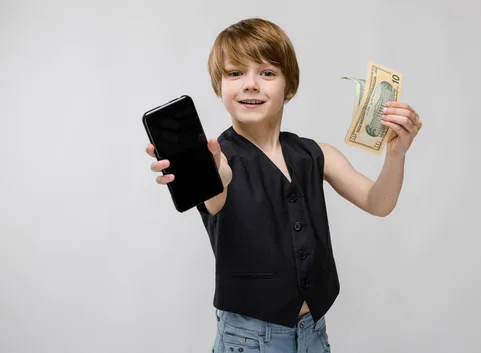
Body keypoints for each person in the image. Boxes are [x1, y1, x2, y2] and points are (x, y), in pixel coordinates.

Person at [145, 18, 422, 353]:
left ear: (290, 86)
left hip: (313, 334)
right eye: (235, 73)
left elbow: (378, 202)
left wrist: (396, 154)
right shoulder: (220, 161)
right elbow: (216, 195)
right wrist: (211, 174)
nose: (250, 84)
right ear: (219, 86)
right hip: (248, 340)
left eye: (267, 73)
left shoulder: (315, 153)